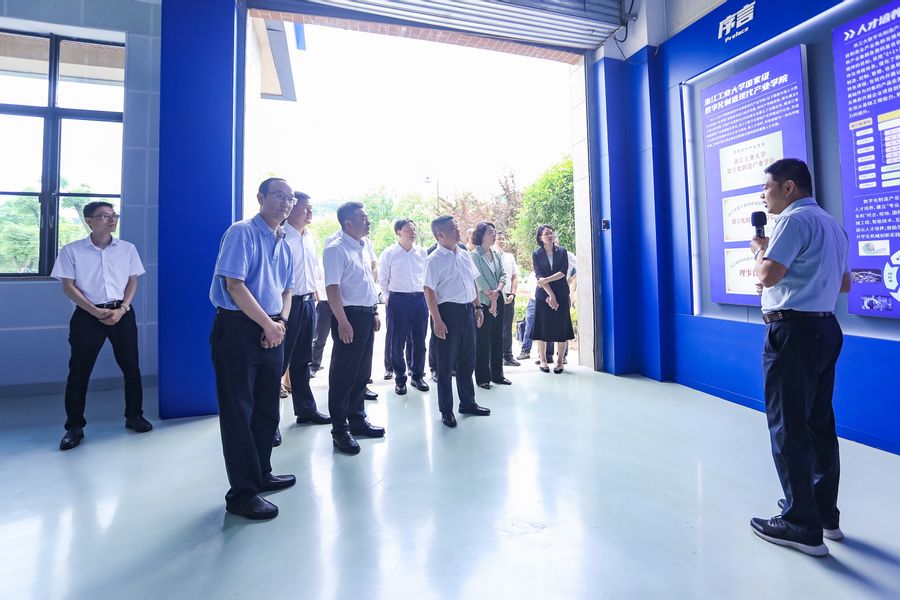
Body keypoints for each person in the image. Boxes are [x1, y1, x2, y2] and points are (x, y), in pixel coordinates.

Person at [748, 158, 850, 556]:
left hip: (792, 333)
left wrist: (761, 253)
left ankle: (800, 524)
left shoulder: (791, 221)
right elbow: (843, 283)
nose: (763, 195)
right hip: (825, 329)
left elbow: (767, 275)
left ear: (788, 187)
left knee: (789, 425)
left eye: (767, 187)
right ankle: (824, 514)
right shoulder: (831, 224)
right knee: (819, 423)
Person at [209, 177, 297, 520]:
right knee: (239, 413)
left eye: (290, 198)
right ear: (261, 197)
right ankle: (242, 494)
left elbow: (287, 290)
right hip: (238, 329)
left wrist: (280, 324)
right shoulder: (242, 232)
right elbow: (234, 285)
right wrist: (267, 325)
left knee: (266, 410)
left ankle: (261, 473)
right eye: (279, 195)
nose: (286, 202)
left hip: (273, 328)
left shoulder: (284, 241)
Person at [51, 201, 151, 451]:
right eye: (104, 215)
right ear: (89, 220)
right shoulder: (72, 250)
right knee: (79, 371)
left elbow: (132, 281)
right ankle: (74, 427)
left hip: (122, 313)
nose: (112, 219)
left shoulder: (127, 249)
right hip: (87, 315)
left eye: (114, 215)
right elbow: (68, 286)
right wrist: (94, 311)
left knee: (131, 367)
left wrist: (123, 308)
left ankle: (134, 416)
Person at [323, 201, 385, 454]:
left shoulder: (361, 246)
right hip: (348, 316)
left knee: (361, 373)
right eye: (363, 218)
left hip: (365, 315)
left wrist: (374, 311)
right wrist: (342, 321)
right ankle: (340, 430)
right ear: (348, 223)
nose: (368, 221)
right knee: (343, 375)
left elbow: (366, 283)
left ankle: (357, 420)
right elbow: (332, 288)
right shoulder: (336, 249)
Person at [424, 216, 491, 428]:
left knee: (467, 360)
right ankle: (446, 410)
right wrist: (437, 320)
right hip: (447, 313)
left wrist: (478, 307)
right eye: (453, 228)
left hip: (467, 311)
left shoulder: (463, 254)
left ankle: (467, 403)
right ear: (440, 235)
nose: (458, 230)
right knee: (445, 366)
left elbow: (472, 281)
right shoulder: (433, 259)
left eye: (457, 227)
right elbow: (429, 291)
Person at [280, 191, 330, 441]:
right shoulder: (280, 236)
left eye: (311, 208)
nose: (310, 212)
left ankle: (306, 410)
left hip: (309, 303)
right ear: (291, 208)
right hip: (285, 305)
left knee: (302, 361)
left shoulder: (309, 238)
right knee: (278, 363)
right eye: (305, 207)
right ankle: (268, 422)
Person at [379, 218, 430, 395]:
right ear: (398, 232)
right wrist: (387, 297)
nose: (413, 232)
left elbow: (427, 277)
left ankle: (417, 376)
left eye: (414, 229)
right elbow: (383, 279)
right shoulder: (389, 253)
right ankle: (400, 379)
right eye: (409, 229)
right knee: (397, 343)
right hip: (398, 300)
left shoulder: (422, 253)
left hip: (420, 299)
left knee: (419, 341)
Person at [470, 222, 511, 389]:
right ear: (481, 235)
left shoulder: (496, 254)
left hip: (498, 297)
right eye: (490, 232)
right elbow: (477, 279)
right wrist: (491, 296)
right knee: (483, 339)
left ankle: (497, 374)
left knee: (497, 337)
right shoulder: (474, 255)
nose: (494, 235)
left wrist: (497, 292)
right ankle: (482, 378)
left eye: (494, 232)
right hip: (483, 301)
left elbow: (503, 275)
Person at [531, 224, 575, 374]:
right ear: (540, 238)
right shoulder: (536, 254)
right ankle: (543, 359)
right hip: (544, 295)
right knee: (542, 328)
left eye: (551, 233)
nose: (550, 236)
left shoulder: (562, 251)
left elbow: (563, 272)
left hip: (561, 293)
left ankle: (560, 361)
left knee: (561, 328)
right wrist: (551, 295)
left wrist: (546, 280)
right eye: (546, 234)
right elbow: (539, 276)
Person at [495, 231, 520, 367]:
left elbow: (514, 277)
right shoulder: (490, 256)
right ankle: (494, 357)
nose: (501, 241)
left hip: (509, 297)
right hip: (495, 297)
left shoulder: (509, 257)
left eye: (503, 239)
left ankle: (508, 356)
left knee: (507, 328)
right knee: (494, 329)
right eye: (498, 239)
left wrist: (513, 294)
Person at [310, 256, 330, 377]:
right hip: (324, 303)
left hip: (342, 303)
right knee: (319, 338)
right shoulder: (319, 263)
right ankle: (313, 366)